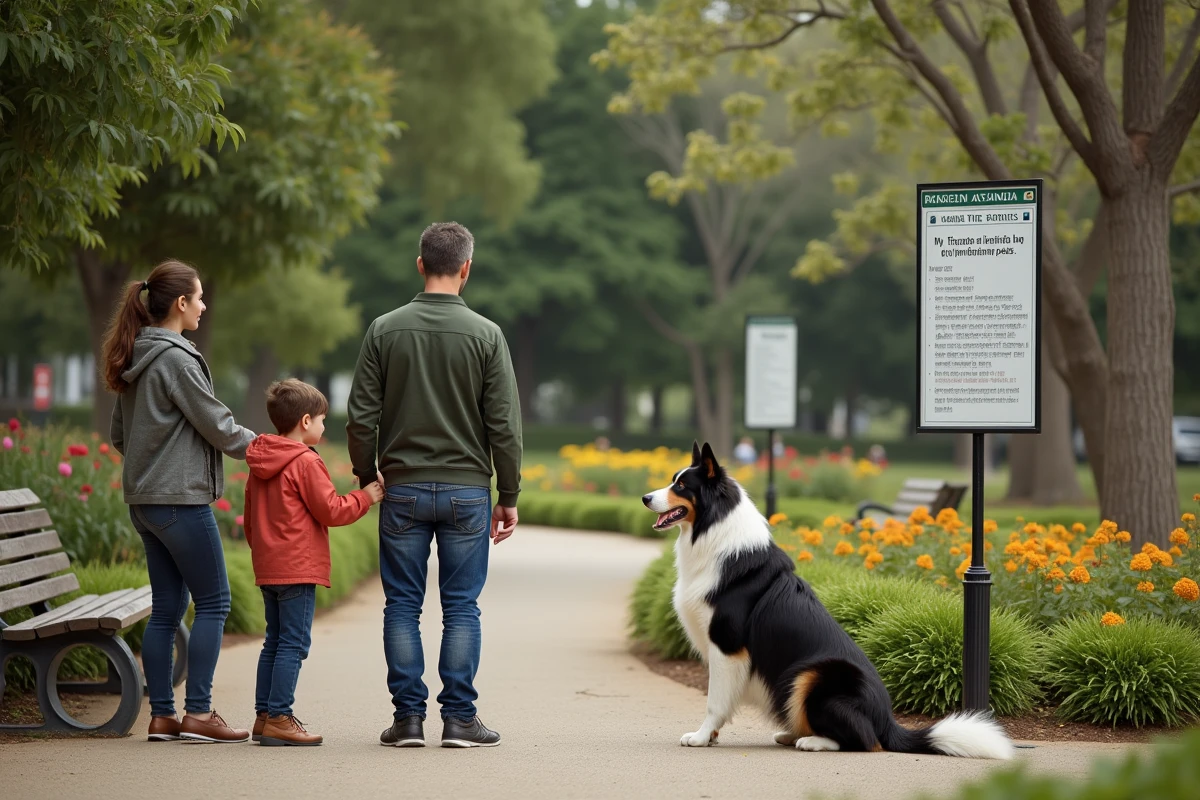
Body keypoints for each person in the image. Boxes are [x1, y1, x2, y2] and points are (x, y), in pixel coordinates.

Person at [347, 221, 522, 749]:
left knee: (401, 604)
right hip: (468, 491)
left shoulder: (384, 329)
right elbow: (505, 426)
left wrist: (365, 473)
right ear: (466, 268)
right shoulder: (487, 335)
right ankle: (460, 720)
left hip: (400, 487)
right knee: (461, 606)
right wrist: (508, 495)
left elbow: (360, 417)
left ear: (420, 265)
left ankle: (407, 720)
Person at [104, 260, 255, 743]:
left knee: (168, 607)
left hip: (145, 504)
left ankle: (164, 716)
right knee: (214, 601)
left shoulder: (136, 355)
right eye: (200, 297)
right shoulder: (176, 358)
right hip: (180, 504)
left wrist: (156, 464)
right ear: (181, 303)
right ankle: (199, 713)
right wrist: (274, 450)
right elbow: (218, 424)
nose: (205, 306)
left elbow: (119, 435)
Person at [243, 379, 385, 746]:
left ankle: (264, 715)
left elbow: (250, 517)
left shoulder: (260, 459)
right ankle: (280, 716)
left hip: (269, 565)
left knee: (273, 641)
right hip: (297, 565)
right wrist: (365, 497)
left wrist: (264, 553)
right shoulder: (305, 461)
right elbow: (331, 510)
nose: (324, 427)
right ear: (305, 421)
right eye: (322, 420)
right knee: (293, 642)